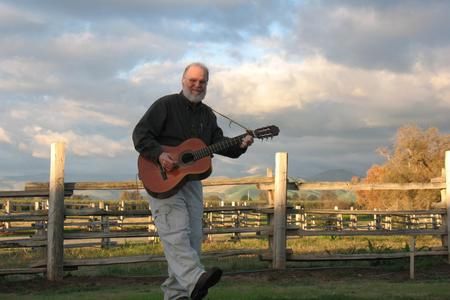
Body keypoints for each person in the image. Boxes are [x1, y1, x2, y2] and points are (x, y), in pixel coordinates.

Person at [132, 62, 253, 300]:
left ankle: (179, 296)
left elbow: (218, 143)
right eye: (193, 80)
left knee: (192, 239)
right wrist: (159, 154)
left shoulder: (207, 115)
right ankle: (196, 278)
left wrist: (240, 145)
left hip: (191, 183)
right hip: (162, 180)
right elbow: (141, 134)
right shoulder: (165, 105)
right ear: (183, 80)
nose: (197, 86)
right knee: (175, 234)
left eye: (202, 82)